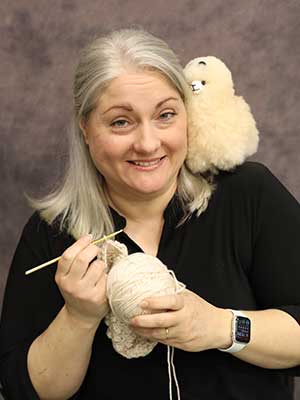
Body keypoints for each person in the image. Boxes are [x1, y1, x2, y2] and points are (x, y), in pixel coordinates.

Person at [0, 28, 300, 400]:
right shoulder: (53, 234)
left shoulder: (247, 195)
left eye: (165, 115)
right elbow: (25, 390)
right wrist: (78, 316)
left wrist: (222, 326)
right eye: (121, 122)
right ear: (85, 128)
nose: (147, 143)